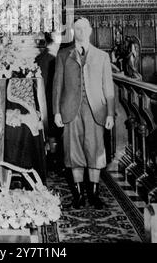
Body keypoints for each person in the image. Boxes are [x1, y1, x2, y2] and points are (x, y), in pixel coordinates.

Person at [53, 17, 115, 209]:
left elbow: (109, 88)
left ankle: (94, 195)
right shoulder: (63, 55)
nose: (80, 32)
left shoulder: (102, 56)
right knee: (74, 153)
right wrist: (56, 112)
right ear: (73, 31)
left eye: (83, 28)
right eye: (77, 29)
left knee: (95, 151)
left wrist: (110, 114)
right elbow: (57, 87)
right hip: (71, 111)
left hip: (96, 110)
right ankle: (79, 195)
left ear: (89, 30)